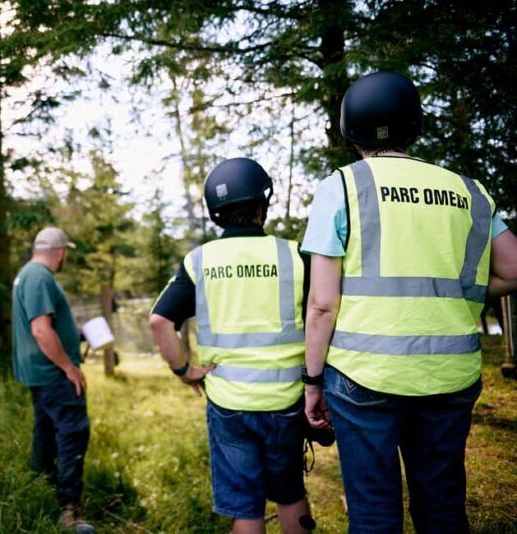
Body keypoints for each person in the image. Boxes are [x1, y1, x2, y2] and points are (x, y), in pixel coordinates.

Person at [302, 70, 517, 533]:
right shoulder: (469, 190)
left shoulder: (343, 186)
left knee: (374, 514)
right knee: (442, 509)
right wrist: (456, 293)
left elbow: (322, 304)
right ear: (414, 125)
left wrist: (312, 381)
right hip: (449, 376)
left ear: (350, 129)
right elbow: (513, 270)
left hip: (364, 378)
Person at [149, 158, 316, 534]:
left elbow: (159, 321)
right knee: (290, 493)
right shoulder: (294, 256)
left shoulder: (199, 261)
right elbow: (322, 315)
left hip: (228, 403)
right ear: (262, 204)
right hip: (286, 400)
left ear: (216, 212)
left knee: (246, 507)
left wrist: (185, 371)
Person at [11, 227, 95, 533]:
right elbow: (40, 330)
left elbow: (45, 325)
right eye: (66, 253)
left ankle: (42, 486)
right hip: (54, 375)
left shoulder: (27, 275)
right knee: (73, 434)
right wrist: (70, 368)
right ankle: (70, 508)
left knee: (46, 431)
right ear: (60, 252)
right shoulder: (40, 277)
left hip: (41, 374)